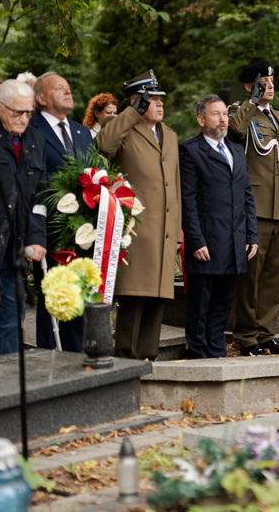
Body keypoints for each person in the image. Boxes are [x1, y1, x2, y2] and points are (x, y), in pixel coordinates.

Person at [97, 70, 181, 360]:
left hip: (164, 231)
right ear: (137, 101)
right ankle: (125, 357)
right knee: (134, 296)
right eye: (153, 99)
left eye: (160, 99)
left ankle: (148, 357)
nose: (160, 104)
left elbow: (175, 187)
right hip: (137, 231)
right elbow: (104, 145)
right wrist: (132, 112)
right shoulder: (120, 126)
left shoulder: (169, 134)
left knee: (158, 299)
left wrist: (178, 231)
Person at [0, 79, 47, 357]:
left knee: (11, 314)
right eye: (17, 111)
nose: (24, 118)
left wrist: (36, 236)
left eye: (29, 112)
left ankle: (7, 377)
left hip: (16, 241)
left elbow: (40, 195)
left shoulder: (36, 140)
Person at [180, 95, 258, 358]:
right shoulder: (190, 151)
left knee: (223, 304)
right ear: (201, 120)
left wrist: (252, 235)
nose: (223, 119)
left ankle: (216, 352)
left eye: (225, 114)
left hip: (235, 242)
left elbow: (247, 195)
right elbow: (187, 200)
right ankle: (198, 354)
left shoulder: (236, 150)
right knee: (200, 305)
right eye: (216, 114)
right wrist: (195, 240)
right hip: (207, 242)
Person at [228, 60, 279, 356]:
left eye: (271, 81)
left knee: (273, 276)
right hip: (254, 207)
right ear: (249, 86)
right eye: (262, 82)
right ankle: (247, 336)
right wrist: (251, 101)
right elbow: (234, 131)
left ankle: (267, 334)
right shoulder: (240, 112)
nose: (269, 86)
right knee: (251, 277)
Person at [29, 71, 94, 351]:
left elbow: (95, 174)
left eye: (68, 87)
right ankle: (49, 359)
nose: (67, 91)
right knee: (54, 298)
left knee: (79, 297)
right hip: (52, 229)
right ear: (41, 99)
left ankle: (76, 357)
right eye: (59, 88)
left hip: (85, 230)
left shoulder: (81, 131)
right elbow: (32, 182)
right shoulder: (31, 129)